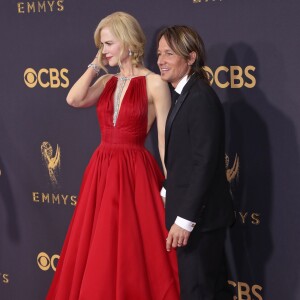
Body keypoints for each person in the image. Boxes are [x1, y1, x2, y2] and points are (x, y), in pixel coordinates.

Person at [47, 12, 180, 299]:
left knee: (134, 247)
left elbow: (165, 143)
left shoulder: (155, 83)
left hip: (135, 171)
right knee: (100, 244)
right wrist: (95, 66)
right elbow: (74, 99)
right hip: (102, 168)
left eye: (107, 44)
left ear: (128, 42)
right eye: (101, 45)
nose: (103, 50)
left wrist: (170, 189)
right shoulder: (107, 82)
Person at [157, 25, 235, 300]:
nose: (160, 61)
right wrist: (167, 189)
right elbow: (185, 157)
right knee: (212, 291)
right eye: (159, 54)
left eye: (169, 53)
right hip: (198, 216)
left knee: (199, 292)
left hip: (199, 221)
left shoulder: (199, 98)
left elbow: (205, 163)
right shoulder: (185, 95)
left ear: (191, 58)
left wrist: (185, 219)